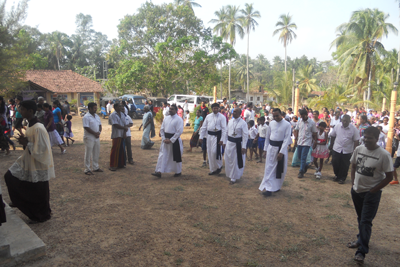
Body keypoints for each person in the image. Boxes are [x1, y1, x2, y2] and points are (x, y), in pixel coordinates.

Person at [347, 127, 393, 264]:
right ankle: (360, 239)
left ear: (377, 138)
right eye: (365, 137)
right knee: (361, 218)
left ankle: (361, 251)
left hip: (371, 194)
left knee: (365, 221)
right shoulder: (359, 149)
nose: (366, 140)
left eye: (370, 138)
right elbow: (354, 166)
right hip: (357, 191)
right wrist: (353, 183)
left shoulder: (384, 155)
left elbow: (389, 177)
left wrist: (373, 190)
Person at [4, 100, 54, 223]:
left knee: (38, 190)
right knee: (10, 177)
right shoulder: (30, 124)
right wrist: (25, 143)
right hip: (29, 160)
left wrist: (28, 143)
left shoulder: (38, 127)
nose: (20, 111)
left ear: (30, 111)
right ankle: (22, 203)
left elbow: (43, 148)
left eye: (23, 109)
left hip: (37, 163)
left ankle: (40, 215)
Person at [259, 108, 291, 196]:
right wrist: (265, 149)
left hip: (280, 148)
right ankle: (269, 188)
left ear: (281, 114)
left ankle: (276, 186)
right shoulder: (271, 123)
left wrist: (281, 152)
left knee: (279, 169)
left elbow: (286, 139)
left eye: (277, 115)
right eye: (274, 116)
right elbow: (267, 137)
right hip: (271, 148)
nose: (276, 117)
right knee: (269, 168)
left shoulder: (287, 124)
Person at [152, 105, 183, 178]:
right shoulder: (166, 118)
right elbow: (162, 129)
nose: (170, 110)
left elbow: (179, 131)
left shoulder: (179, 119)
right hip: (165, 140)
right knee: (162, 155)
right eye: (170, 109)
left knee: (176, 156)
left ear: (176, 110)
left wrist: (171, 140)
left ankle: (178, 171)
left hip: (174, 141)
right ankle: (159, 171)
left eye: (172, 109)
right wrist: (163, 138)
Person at [329, 115, 360, 184]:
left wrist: (355, 151)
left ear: (349, 121)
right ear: (341, 120)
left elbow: (356, 140)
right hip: (337, 148)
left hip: (347, 150)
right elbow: (333, 135)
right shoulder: (337, 126)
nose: (345, 122)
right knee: (335, 162)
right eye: (343, 120)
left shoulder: (354, 129)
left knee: (345, 165)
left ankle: (342, 178)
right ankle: (337, 175)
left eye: (346, 121)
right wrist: (331, 144)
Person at [199, 103, 227, 175]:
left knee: (215, 152)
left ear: (218, 109)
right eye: (214, 108)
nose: (215, 109)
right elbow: (204, 127)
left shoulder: (222, 117)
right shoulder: (208, 116)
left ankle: (219, 166)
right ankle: (213, 169)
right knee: (210, 152)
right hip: (209, 136)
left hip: (217, 136)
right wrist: (201, 137)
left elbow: (224, 129)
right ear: (211, 109)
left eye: (216, 108)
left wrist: (222, 139)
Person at [223, 108, 248, 185]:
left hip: (238, 144)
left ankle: (233, 177)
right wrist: (224, 142)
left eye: (236, 112)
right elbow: (226, 132)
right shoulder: (230, 121)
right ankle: (229, 174)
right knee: (228, 159)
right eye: (233, 112)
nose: (234, 113)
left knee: (235, 161)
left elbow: (245, 135)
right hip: (229, 143)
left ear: (240, 113)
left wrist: (244, 146)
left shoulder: (243, 123)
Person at [294, 109, 318, 178]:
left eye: (303, 116)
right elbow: (296, 130)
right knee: (299, 156)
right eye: (300, 116)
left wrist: (315, 141)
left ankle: (301, 171)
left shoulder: (312, 123)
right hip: (300, 142)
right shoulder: (299, 121)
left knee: (303, 157)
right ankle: (306, 165)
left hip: (307, 142)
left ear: (306, 115)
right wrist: (295, 139)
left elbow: (314, 133)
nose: (301, 117)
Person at [82, 102, 102, 175]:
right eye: (94, 108)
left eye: (96, 108)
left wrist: (99, 132)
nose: (95, 110)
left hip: (96, 136)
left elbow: (100, 125)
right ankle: (87, 169)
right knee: (88, 153)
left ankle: (95, 167)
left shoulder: (97, 116)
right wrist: (94, 133)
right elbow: (86, 127)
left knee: (96, 152)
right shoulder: (86, 117)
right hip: (89, 137)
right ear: (89, 108)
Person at [109, 103, 128, 171]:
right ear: (115, 107)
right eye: (119, 106)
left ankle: (120, 164)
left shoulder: (122, 114)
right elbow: (115, 124)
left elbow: (125, 124)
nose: (120, 107)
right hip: (116, 134)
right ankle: (112, 165)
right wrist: (124, 128)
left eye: (121, 106)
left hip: (122, 134)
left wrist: (125, 133)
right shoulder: (113, 115)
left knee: (121, 149)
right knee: (115, 149)